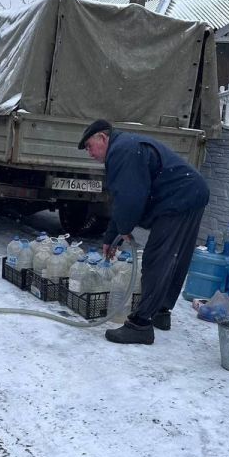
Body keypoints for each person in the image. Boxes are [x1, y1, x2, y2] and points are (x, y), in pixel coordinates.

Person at [78, 119, 209, 345]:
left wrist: (124, 230)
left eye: (89, 146)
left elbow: (130, 198)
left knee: (157, 259)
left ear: (103, 137)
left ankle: (140, 325)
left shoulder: (121, 151)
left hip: (178, 198)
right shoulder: (125, 147)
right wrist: (111, 236)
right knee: (174, 257)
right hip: (190, 192)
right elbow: (121, 200)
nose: (89, 153)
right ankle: (160, 312)